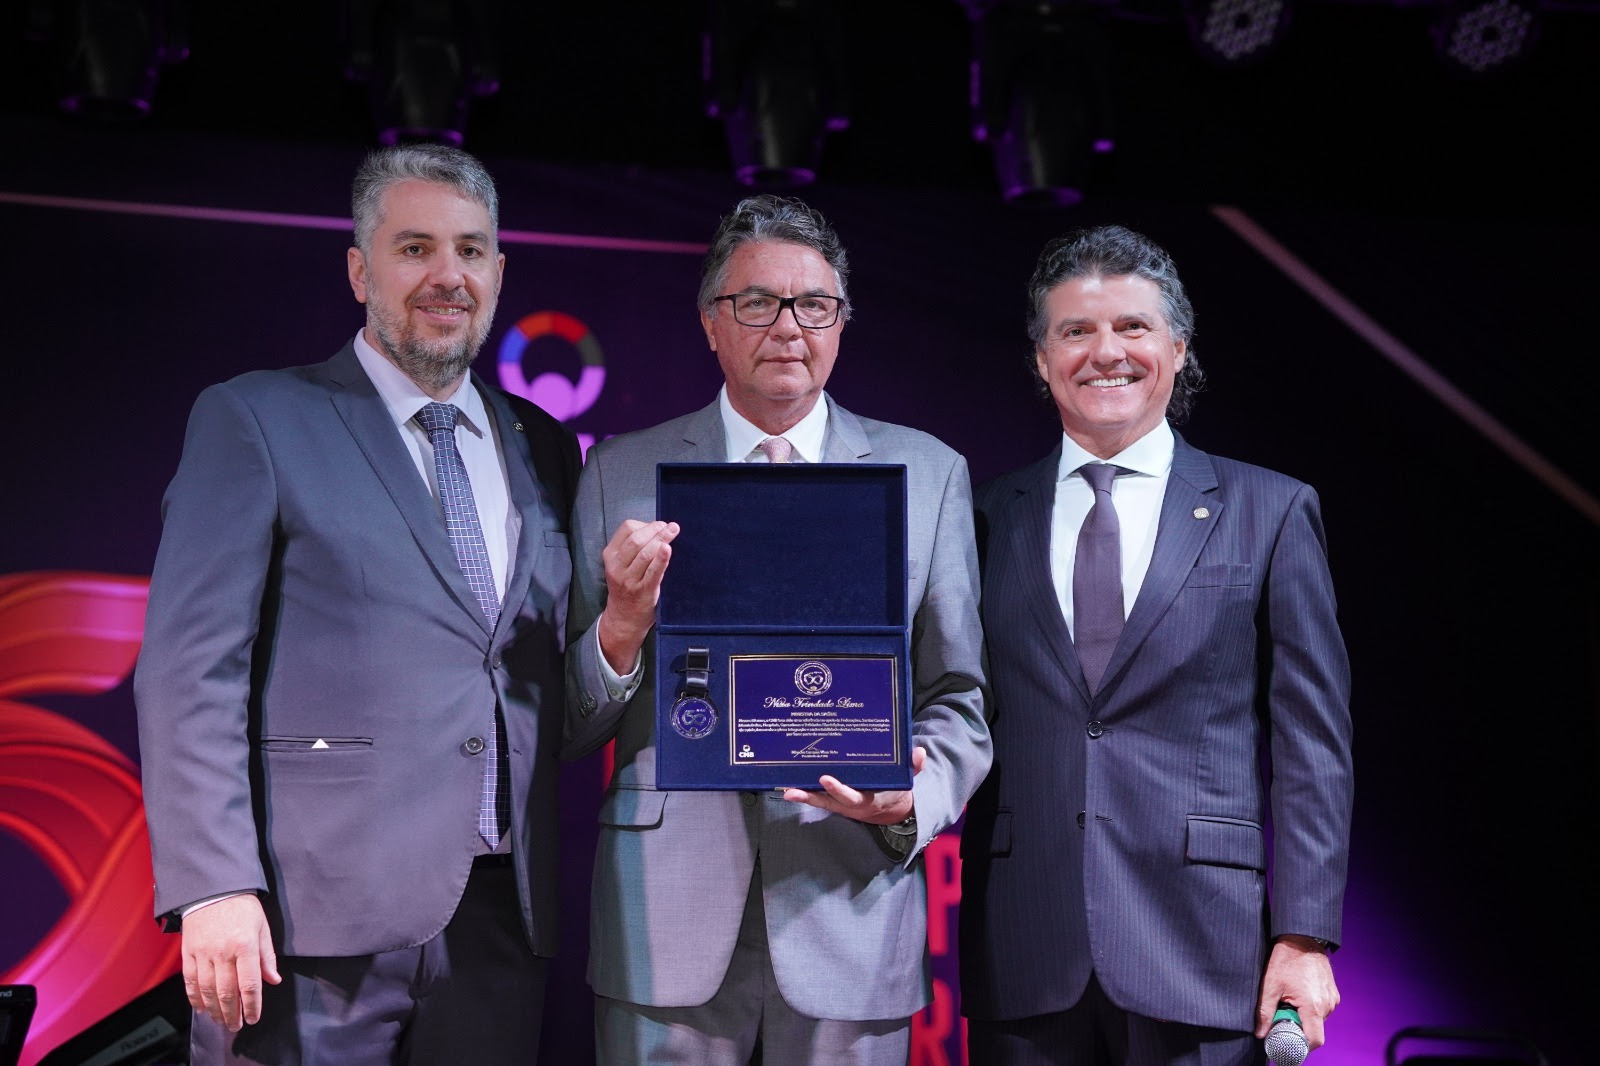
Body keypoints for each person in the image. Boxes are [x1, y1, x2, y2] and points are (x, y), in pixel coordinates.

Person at [134, 143, 581, 1065]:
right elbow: (189, 671)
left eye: (470, 250)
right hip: (307, 922)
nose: (447, 275)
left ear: (499, 273)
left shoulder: (543, 443)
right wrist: (214, 885)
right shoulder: (258, 418)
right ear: (358, 271)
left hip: (500, 918)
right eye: (415, 248)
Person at [564, 194, 991, 1065]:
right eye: (758, 302)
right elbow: (567, 723)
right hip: (665, 917)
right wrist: (621, 629)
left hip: (852, 910)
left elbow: (958, 699)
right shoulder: (619, 471)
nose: (789, 327)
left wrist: (912, 800)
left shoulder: (929, 473)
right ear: (710, 323)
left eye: (815, 305)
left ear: (841, 323)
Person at [959, 225, 1353, 1065]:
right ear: (1042, 359)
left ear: (1178, 348)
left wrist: (1305, 937)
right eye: (1076, 330)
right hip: (1025, 948)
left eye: (1132, 327)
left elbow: (1312, 745)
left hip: (1205, 952)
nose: (1106, 352)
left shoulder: (1271, 510)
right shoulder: (980, 517)